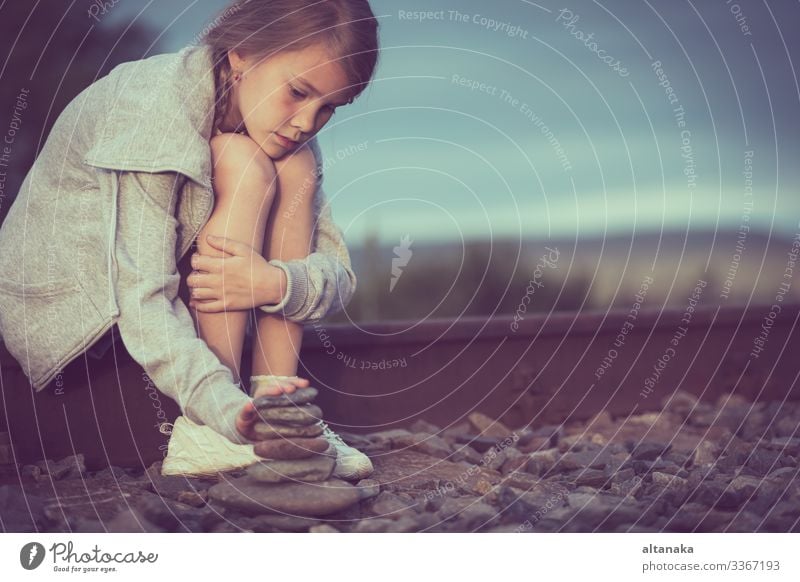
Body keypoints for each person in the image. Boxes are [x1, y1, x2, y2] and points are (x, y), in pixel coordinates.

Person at [0, 0, 379, 479]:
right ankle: (213, 427)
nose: (307, 121)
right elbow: (142, 297)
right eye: (299, 92)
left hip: (145, 305)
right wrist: (221, 407)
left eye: (329, 107)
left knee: (293, 165)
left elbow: (339, 274)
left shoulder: (281, 128)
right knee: (239, 164)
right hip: (78, 320)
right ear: (241, 53)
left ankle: (277, 411)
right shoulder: (151, 111)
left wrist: (275, 284)